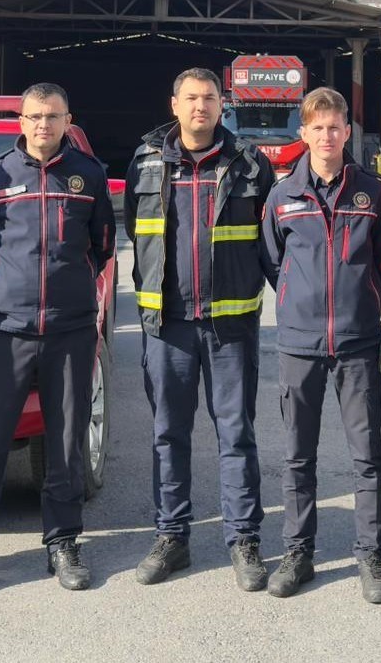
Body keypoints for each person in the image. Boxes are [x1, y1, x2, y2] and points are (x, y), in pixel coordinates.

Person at [0, 83, 115, 605]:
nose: (43, 125)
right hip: (6, 329)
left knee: (65, 442)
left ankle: (63, 543)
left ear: (67, 120)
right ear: (21, 121)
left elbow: (102, 244)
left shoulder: (89, 175)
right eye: (34, 116)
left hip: (69, 328)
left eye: (53, 116)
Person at [125, 67, 274, 591]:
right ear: (175, 104)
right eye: (191, 98)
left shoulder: (249, 163)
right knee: (169, 434)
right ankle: (172, 537)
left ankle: (243, 539)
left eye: (209, 98)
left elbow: (271, 239)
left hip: (230, 325)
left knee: (237, 435)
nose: (200, 106)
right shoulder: (145, 162)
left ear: (221, 104)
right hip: (168, 325)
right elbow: (135, 232)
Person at [259, 87, 381, 603]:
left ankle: (371, 555)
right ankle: (298, 552)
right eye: (317, 127)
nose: (326, 136)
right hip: (299, 344)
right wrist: (297, 299)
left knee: (367, 456)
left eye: (334, 127)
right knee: (298, 456)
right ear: (303, 133)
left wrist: (360, 297)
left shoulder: (372, 193)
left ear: (346, 132)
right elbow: (273, 260)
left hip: (358, 343)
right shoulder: (282, 196)